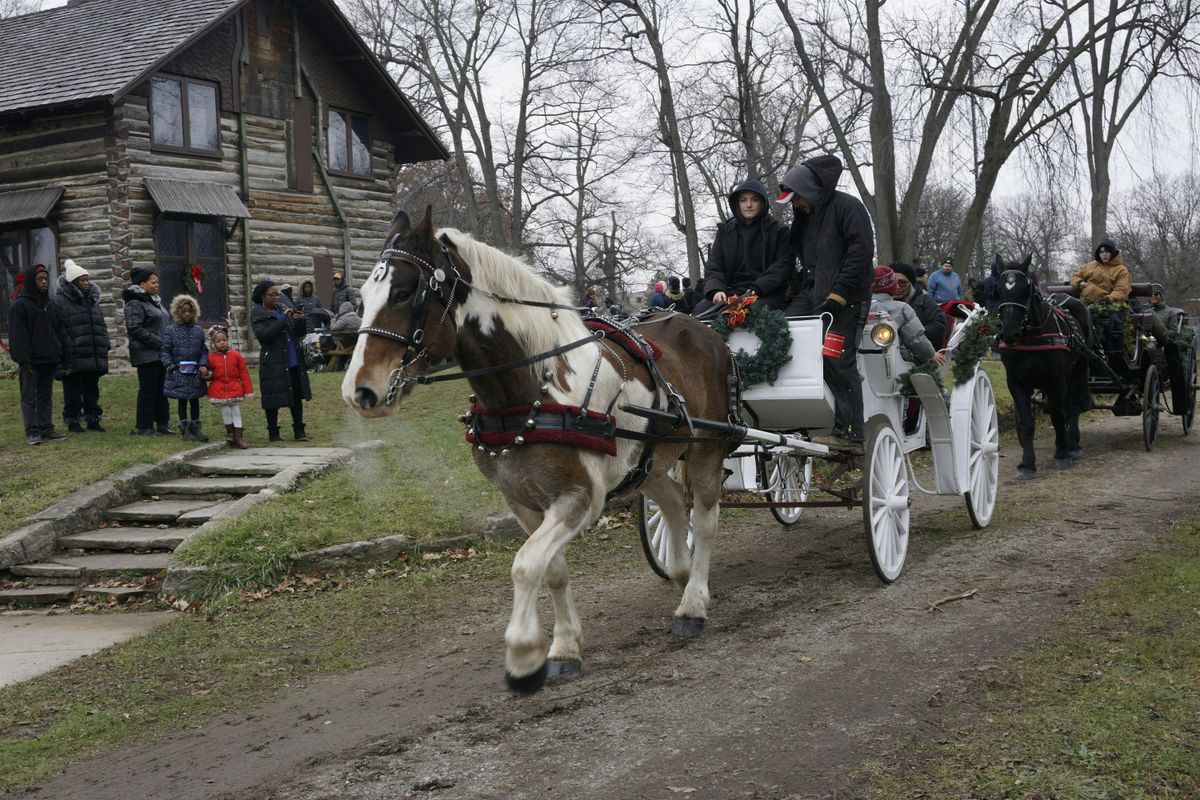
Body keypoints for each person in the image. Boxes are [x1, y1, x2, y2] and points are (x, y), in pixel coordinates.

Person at [778, 154, 874, 448]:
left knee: (837, 360)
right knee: (784, 336)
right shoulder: (806, 219)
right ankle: (805, 420)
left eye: (796, 199)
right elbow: (805, 261)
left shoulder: (848, 208)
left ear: (810, 190)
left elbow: (860, 253)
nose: (794, 205)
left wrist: (840, 293)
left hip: (847, 300)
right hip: (812, 295)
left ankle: (852, 432)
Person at [696, 178, 795, 314]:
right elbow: (714, 266)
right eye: (743, 200)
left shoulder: (778, 231)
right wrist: (716, 290)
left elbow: (784, 266)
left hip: (766, 293)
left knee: (752, 312)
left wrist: (757, 288)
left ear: (762, 203)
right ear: (737, 204)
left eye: (754, 200)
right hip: (731, 293)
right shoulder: (726, 232)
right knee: (701, 310)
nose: (748, 205)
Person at [9, 264, 68, 444]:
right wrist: (25, 362)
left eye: (45, 279)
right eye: (39, 279)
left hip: (49, 359)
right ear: (30, 281)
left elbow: (59, 331)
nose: (44, 282)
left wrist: (62, 356)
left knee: (45, 396)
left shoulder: (50, 304)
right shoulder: (20, 306)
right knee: (29, 397)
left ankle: (46, 428)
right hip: (31, 362)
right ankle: (32, 431)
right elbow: (18, 337)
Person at [52, 259, 111, 433]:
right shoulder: (60, 302)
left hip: (92, 354)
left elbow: (100, 326)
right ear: (73, 282)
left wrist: (104, 344)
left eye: (87, 279)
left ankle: (93, 420)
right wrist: (64, 355)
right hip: (73, 355)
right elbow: (58, 330)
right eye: (82, 280)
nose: (86, 283)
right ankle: (73, 421)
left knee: (92, 390)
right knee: (73, 392)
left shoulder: (92, 301)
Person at [252, 280, 312, 441]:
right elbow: (265, 336)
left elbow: (299, 333)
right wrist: (283, 319)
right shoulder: (258, 313)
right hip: (273, 361)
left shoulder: (282, 309)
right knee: (272, 397)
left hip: (292, 359)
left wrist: (300, 320)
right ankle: (273, 433)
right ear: (262, 296)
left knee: (296, 396)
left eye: (277, 294)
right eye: (272, 295)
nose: (276, 297)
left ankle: (299, 431)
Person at [124, 266, 173, 436]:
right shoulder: (135, 302)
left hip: (160, 353)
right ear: (142, 283)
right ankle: (144, 426)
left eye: (157, 281)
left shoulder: (154, 301)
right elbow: (134, 328)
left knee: (161, 389)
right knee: (148, 390)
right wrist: (158, 342)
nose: (157, 284)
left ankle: (162, 424)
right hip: (146, 354)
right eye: (153, 282)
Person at [161, 294, 211, 442]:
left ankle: (196, 429)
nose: (187, 314)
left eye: (190, 311)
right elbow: (165, 350)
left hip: (194, 372)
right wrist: (170, 365)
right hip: (178, 371)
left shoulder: (198, 331)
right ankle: (185, 430)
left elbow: (203, 350)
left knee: (195, 400)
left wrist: (203, 364)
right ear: (178, 312)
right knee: (182, 400)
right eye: (183, 311)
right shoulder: (171, 330)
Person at [869, 266, 941, 365]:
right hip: (897, 358)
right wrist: (931, 354)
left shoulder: (860, 307)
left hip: (862, 358)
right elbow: (915, 338)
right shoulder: (902, 308)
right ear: (893, 286)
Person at [204, 324, 253, 449]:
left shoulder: (236, 356)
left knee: (236, 412)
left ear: (228, 340)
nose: (222, 343)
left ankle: (239, 437)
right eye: (218, 341)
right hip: (219, 390)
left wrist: (248, 390)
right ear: (213, 343)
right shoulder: (211, 358)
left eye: (224, 340)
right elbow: (210, 374)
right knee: (226, 411)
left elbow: (244, 373)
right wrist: (206, 374)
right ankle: (230, 433)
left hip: (234, 388)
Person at [890, 262, 948, 350]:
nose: (897, 287)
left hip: (919, 353)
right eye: (893, 282)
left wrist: (908, 333)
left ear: (911, 283)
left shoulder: (925, 300)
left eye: (902, 282)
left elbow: (939, 327)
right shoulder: (881, 303)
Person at [1071, 239, 1132, 304]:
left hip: (1108, 304)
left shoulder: (1121, 270)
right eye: (1101, 252)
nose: (1104, 254)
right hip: (1085, 301)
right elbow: (1075, 276)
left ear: (1113, 253)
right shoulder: (1090, 266)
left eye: (1107, 252)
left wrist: (1108, 299)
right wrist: (1080, 282)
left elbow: (1121, 290)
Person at [327, 300, 362, 370]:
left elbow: (333, 329)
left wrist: (333, 319)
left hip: (346, 342)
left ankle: (338, 366)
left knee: (339, 346)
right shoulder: (358, 318)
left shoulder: (344, 319)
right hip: (356, 342)